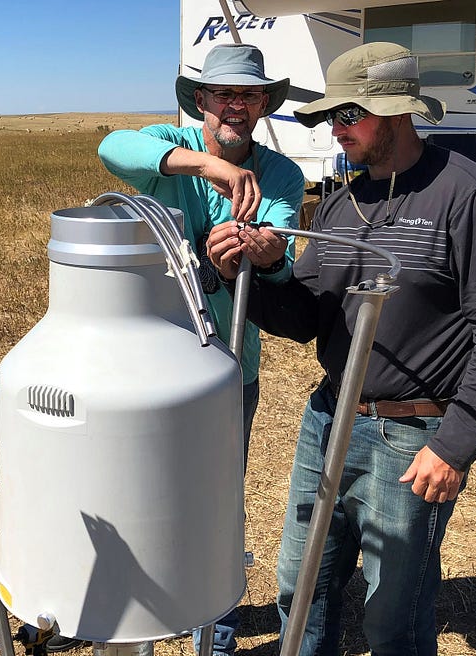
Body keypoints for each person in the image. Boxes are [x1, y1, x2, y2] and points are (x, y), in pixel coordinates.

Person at [205, 42, 476, 656]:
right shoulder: (339, 202)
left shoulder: (468, 196)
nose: (337, 128)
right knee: (301, 590)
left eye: (350, 113)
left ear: (397, 111)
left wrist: (455, 442)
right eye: (332, 116)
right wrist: (254, 271)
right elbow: (306, 318)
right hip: (328, 420)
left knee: (392, 616)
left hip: (413, 436)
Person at [97, 42, 305, 656]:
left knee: (216, 496)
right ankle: (148, 614)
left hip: (227, 367)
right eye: (224, 96)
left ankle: (213, 628)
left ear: (264, 105)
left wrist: (261, 255)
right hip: (151, 365)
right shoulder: (168, 146)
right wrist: (208, 169)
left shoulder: (283, 174)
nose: (235, 107)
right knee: (143, 493)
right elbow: (113, 146)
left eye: (249, 96)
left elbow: (281, 258)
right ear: (202, 103)